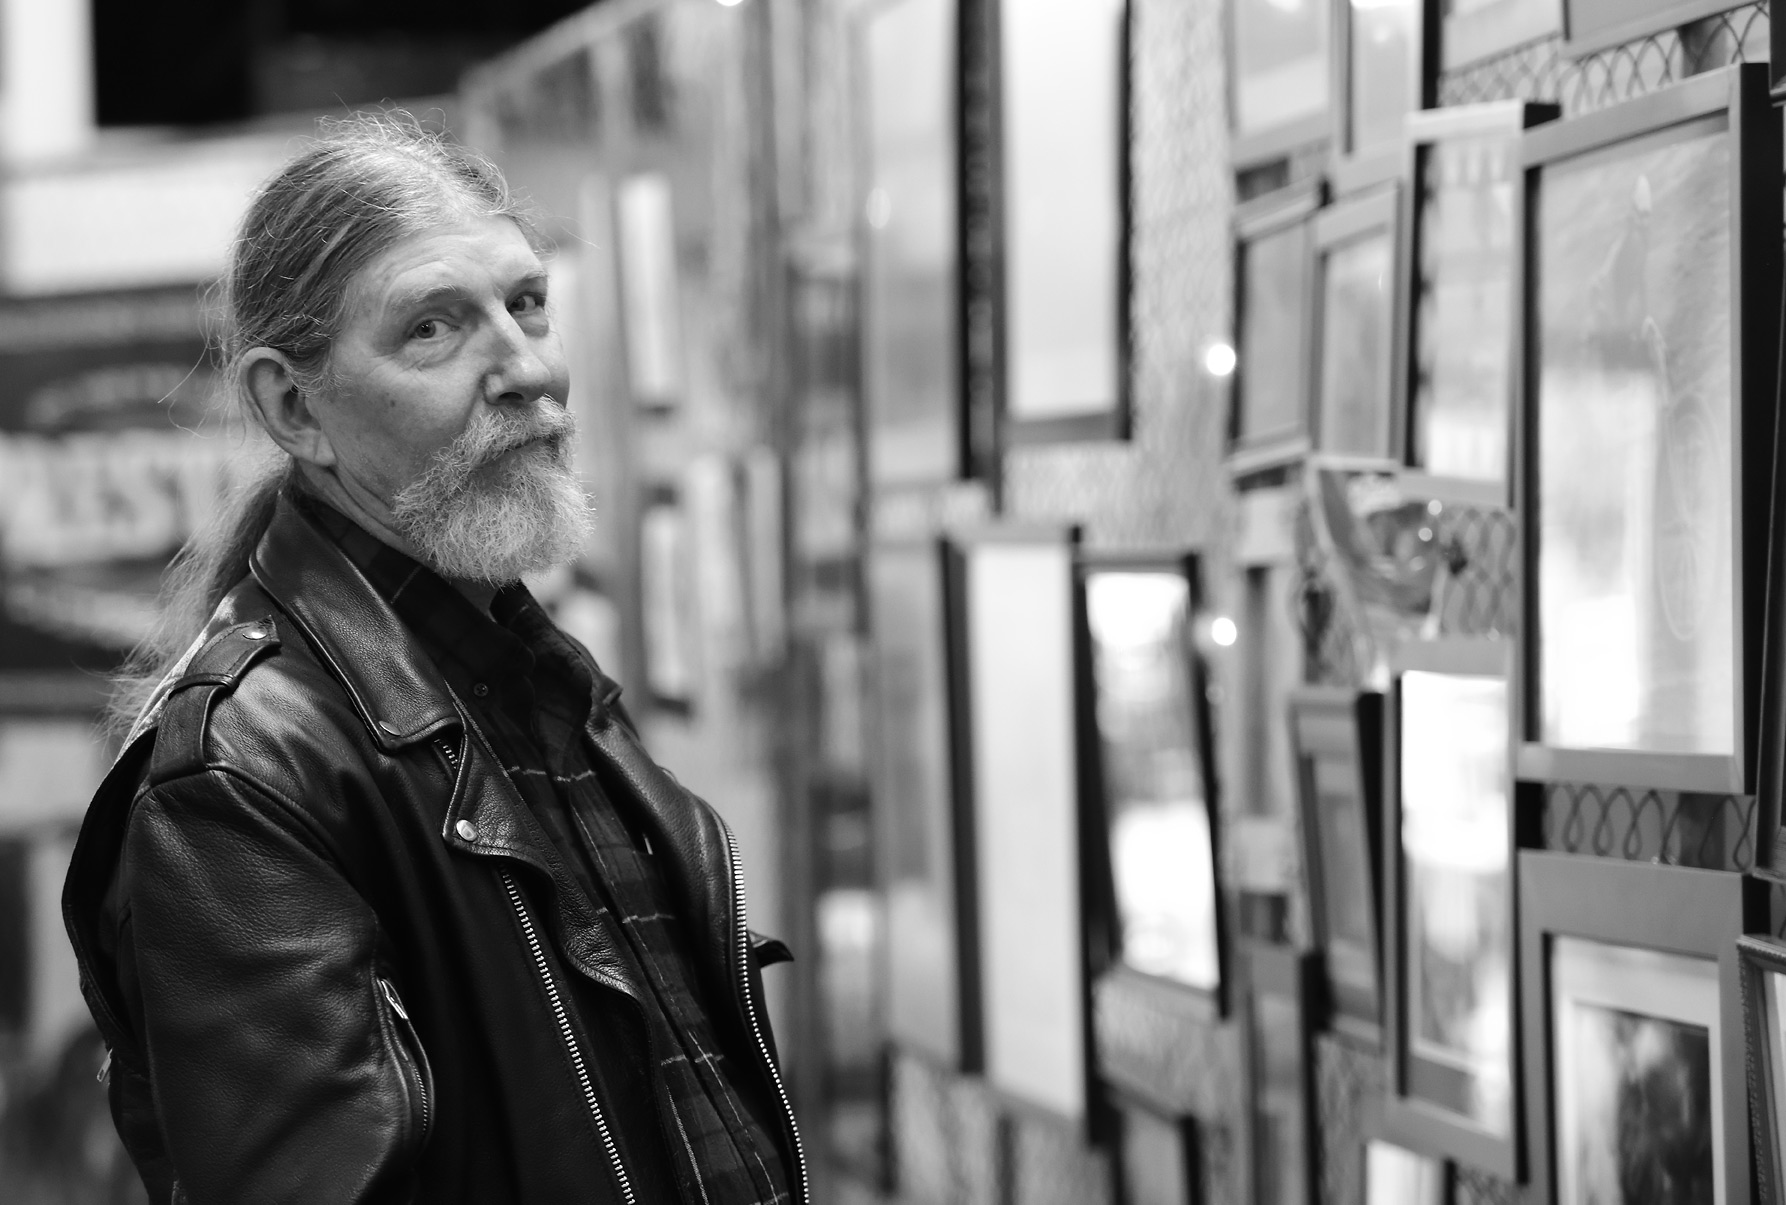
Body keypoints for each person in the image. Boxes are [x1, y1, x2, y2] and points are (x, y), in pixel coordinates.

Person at [61, 114, 804, 1205]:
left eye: (528, 303)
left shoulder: (534, 677)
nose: (527, 369)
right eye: (432, 329)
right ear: (293, 407)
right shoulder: (236, 778)